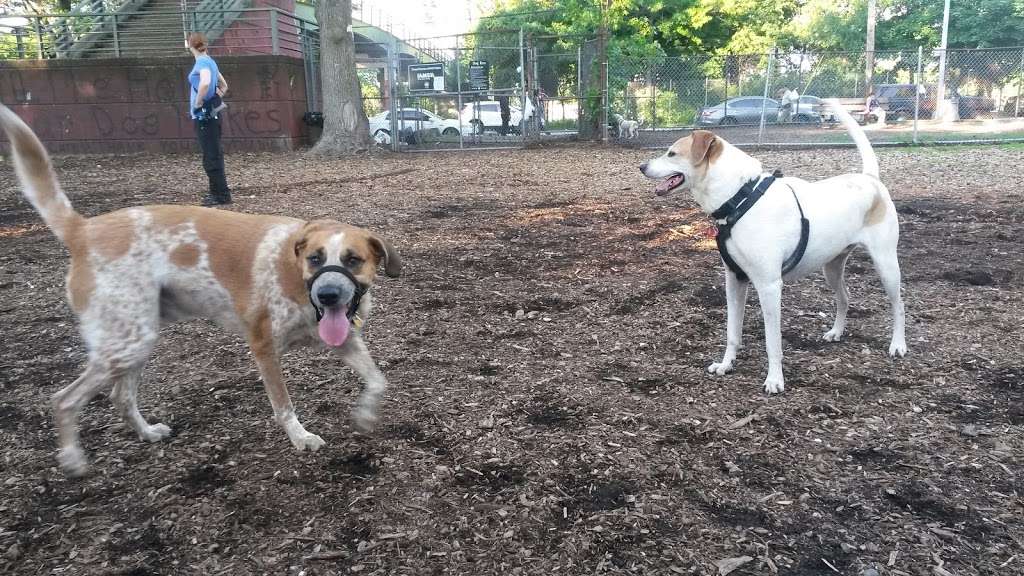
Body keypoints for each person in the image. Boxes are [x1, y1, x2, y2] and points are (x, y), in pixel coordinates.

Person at [187, 32, 231, 206]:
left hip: (204, 116)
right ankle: (218, 193)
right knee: (213, 154)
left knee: (211, 156)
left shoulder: (202, 62)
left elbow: (205, 82)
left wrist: (198, 103)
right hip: (212, 113)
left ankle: (221, 195)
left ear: (190, 46)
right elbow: (224, 85)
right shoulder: (211, 61)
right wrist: (216, 96)